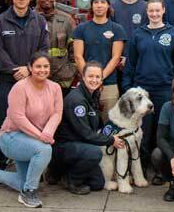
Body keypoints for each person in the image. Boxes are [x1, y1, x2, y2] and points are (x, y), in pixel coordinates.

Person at [0, 53, 63, 208]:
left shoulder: (55, 87)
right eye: (38, 66)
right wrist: (41, 136)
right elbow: (18, 117)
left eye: (46, 66)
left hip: (34, 140)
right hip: (11, 137)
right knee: (44, 150)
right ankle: (28, 193)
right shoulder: (20, 87)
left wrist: (47, 133)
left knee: (23, 181)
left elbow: (57, 113)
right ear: (30, 68)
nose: (42, 70)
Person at [123, 0, 174, 183]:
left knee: (163, 130)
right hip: (142, 91)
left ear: (163, 10)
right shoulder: (138, 34)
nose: (154, 14)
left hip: (166, 90)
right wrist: (129, 89)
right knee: (142, 131)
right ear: (147, 12)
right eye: (151, 11)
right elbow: (130, 65)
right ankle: (140, 167)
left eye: (157, 10)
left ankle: (161, 170)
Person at [0, 0, 50, 171]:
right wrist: (15, 70)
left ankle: (27, 160)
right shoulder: (0, 21)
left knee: (32, 120)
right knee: (2, 120)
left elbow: (44, 48)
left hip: (33, 80)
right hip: (9, 80)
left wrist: (29, 69)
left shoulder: (39, 22)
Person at [49, 61, 126, 195]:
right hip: (65, 147)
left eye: (97, 77)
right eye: (90, 76)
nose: (94, 80)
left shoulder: (92, 94)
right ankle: (69, 179)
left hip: (80, 145)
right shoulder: (77, 100)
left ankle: (62, 172)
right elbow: (85, 134)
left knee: (97, 184)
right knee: (94, 153)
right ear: (83, 77)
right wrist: (110, 140)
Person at [73, 0, 127, 121]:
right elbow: (78, 56)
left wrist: (99, 78)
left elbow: (115, 58)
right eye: (96, 2)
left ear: (108, 5)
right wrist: (90, 78)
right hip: (86, 86)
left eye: (103, 2)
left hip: (109, 85)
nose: (99, 5)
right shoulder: (81, 29)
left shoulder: (117, 29)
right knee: (84, 122)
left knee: (109, 124)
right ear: (91, 5)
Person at [34, 0, 76, 98]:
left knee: (59, 114)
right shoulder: (30, 19)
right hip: (35, 78)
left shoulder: (67, 20)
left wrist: (71, 71)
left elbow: (75, 50)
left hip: (61, 81)